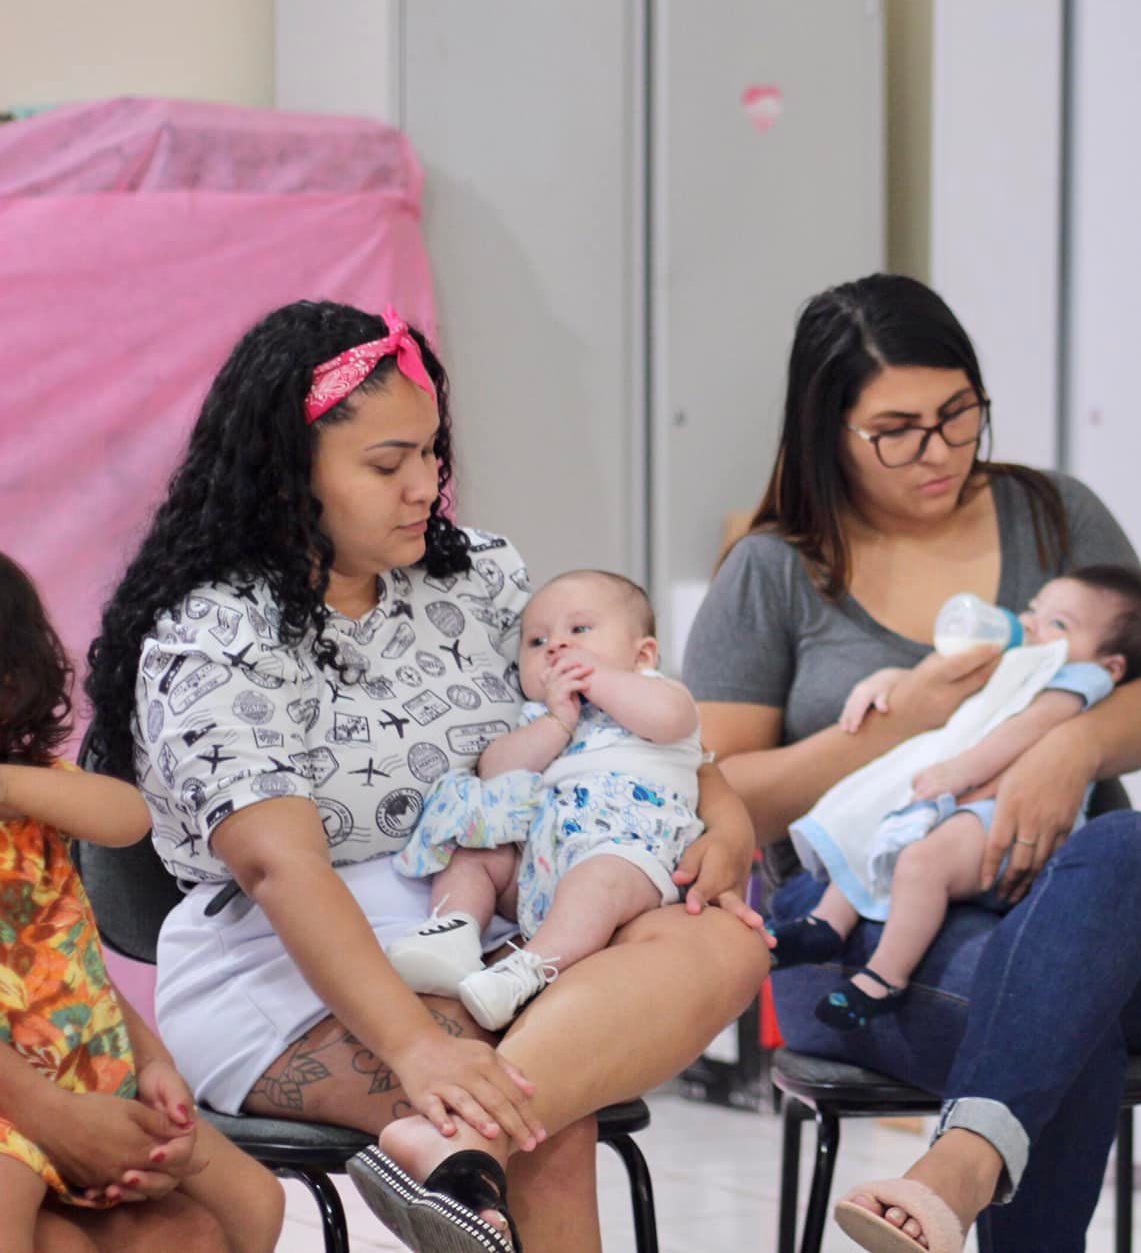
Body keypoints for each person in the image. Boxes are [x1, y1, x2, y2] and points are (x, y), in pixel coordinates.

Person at [83, 302, 769, 1253]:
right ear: (288, 476)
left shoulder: (480, 579)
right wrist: (415, 1047)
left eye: (432, 454)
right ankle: (470, 1141)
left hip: (493, 930)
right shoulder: (215, 633)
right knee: (548, 1118)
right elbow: (284, 873)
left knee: (722, 944)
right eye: (386, 463)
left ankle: (456, 1154)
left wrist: (724, 819)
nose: (426, 486)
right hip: (283, 961)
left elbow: (621, 707)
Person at [684, 274, 1141, 1253]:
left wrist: (1068, 746)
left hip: (1085, 915)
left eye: (959, 414)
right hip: (862, 946)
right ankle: (955, 1177)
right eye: (898, 428)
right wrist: (888, 727)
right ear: (826, 428)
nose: (939, 451)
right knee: (1054, 1012)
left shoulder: (1050, 518)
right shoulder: (776, 569)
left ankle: (952, 1170)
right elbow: (724, 793)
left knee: (1133, 841)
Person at [0, 551, 285, 1253]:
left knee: (256, 1200)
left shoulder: (30, 797)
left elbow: (122, 821)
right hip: (18, 1100)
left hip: (90, 1066)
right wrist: (54, 1115)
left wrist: (153, 1061)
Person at [771, 565, 1141, 1032]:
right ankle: (826, 924)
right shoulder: (1018, 667)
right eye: (1034, 610)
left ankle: (885, 977)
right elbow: (950, 692)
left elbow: (1026, 729)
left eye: (1058, 624)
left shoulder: (1081, 679)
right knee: (879, 831)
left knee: (920, 864)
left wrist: (958, 772)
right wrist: (888, 681)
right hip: (960, 802)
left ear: (1111, 665)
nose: (1031, 625)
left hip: (1001, 816)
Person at [385, 569, 716, 1030]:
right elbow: (497, 768)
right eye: (537, 641)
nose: (557, 646)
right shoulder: (539, 714)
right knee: (479, 850)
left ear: (642, 654)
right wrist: (557, 722)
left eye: (579, 631)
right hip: (536, 856)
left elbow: (668, 720)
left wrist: (596, 681)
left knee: (597, 882)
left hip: (625, 850)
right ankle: (453, 932)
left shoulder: (661, 692)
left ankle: (526, 971)